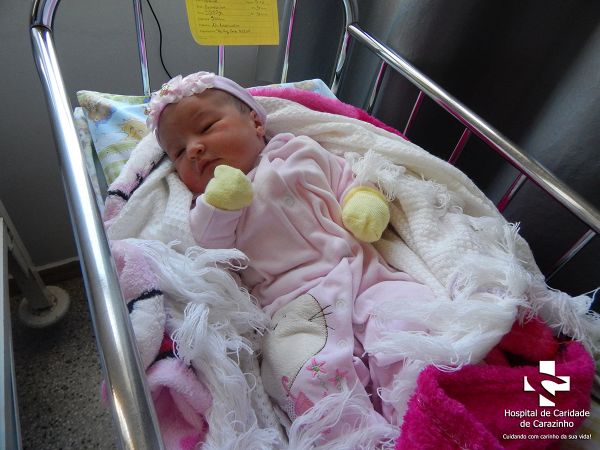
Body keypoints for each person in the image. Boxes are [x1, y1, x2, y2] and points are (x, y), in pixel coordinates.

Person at [146, 71, 435, 439]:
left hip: (363, 273)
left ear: (256, 123)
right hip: (293, 307)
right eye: (178, 152)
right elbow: (210, 253)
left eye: (206, 127)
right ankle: (355, 438)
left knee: (411, 324)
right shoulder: (205, 207)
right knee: (301, 371)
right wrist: (220, 205)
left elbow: (346, 177)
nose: (194, 149)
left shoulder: (301, 150)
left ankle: (427, 413)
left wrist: (363, 200)